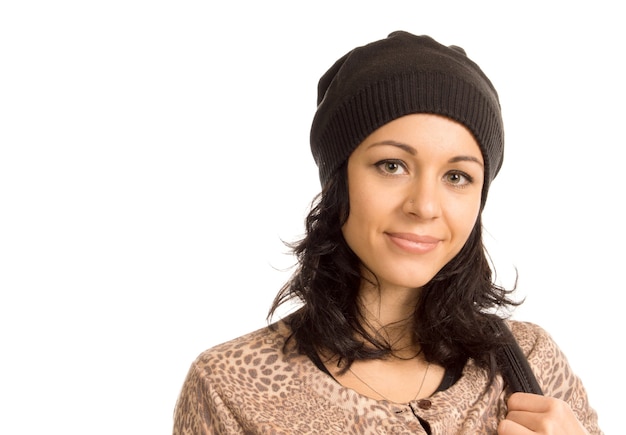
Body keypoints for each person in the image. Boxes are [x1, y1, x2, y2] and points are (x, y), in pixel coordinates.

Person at [173, 31, 601, 434]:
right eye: (392, 166)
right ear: (338, 181)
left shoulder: (530, 363)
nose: (425, 206)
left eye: (456, 176)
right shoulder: (231, 385)